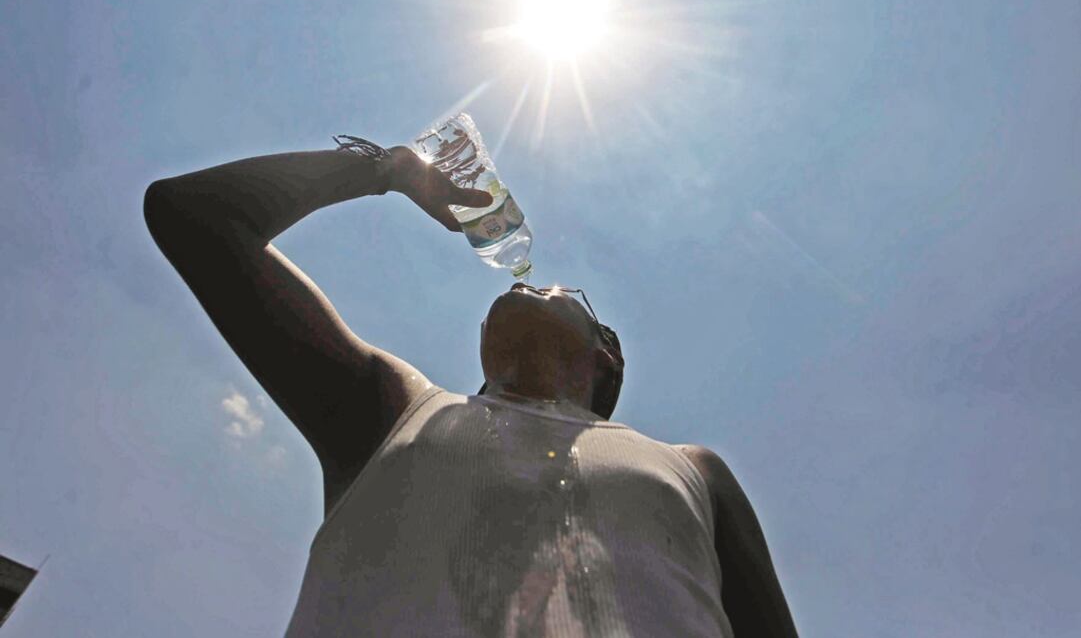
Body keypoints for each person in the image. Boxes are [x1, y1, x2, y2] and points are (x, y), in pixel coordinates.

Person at [143, 139, 798, 637]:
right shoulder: (397, 412)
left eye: (559, 291)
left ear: (609, 353)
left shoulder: (692, 470)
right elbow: (193, 215)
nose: (527, 284)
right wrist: (389, 171)